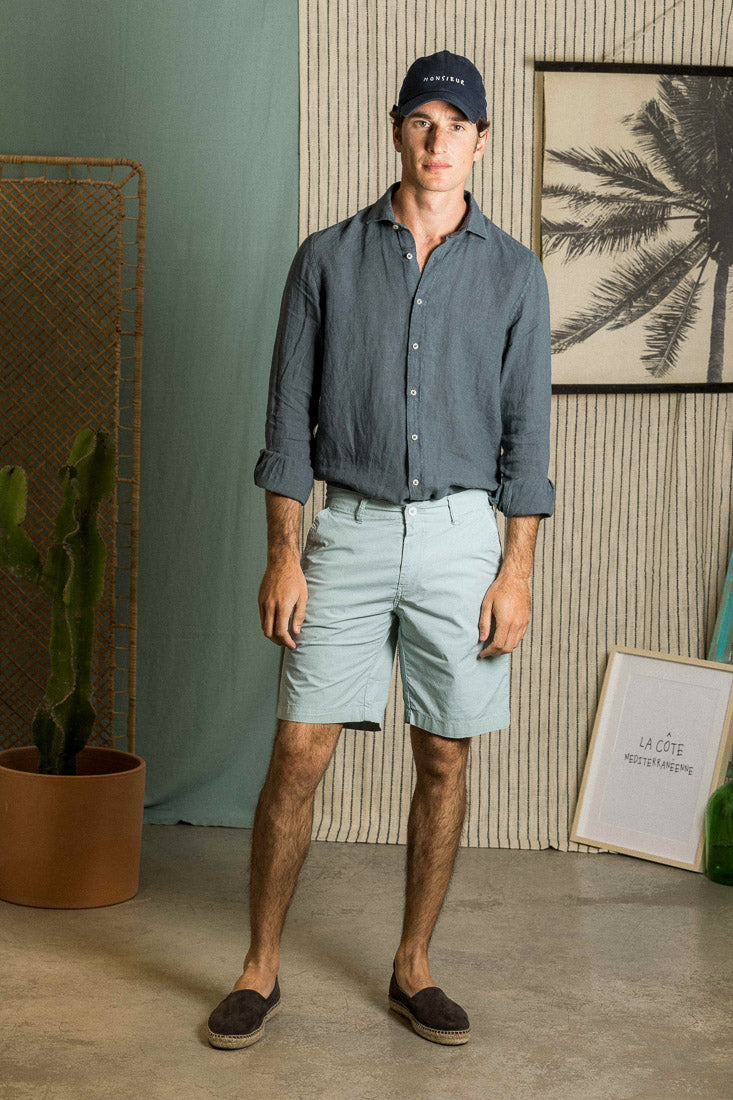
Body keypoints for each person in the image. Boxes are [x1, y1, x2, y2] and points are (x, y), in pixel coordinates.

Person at [207, 48, 555, 1050]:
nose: (438, 140)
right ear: (397, 130)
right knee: (298, 750)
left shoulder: (514, 274)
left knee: (443, 754)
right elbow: (287, 424)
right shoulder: (324, 258)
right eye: (421, 121)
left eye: (457, 126)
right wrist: (283, 555)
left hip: (461, 538)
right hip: (348, 531)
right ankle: (259, 968)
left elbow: (526, 440)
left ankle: (413, 967)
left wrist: (515, 571)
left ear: (481, 143)